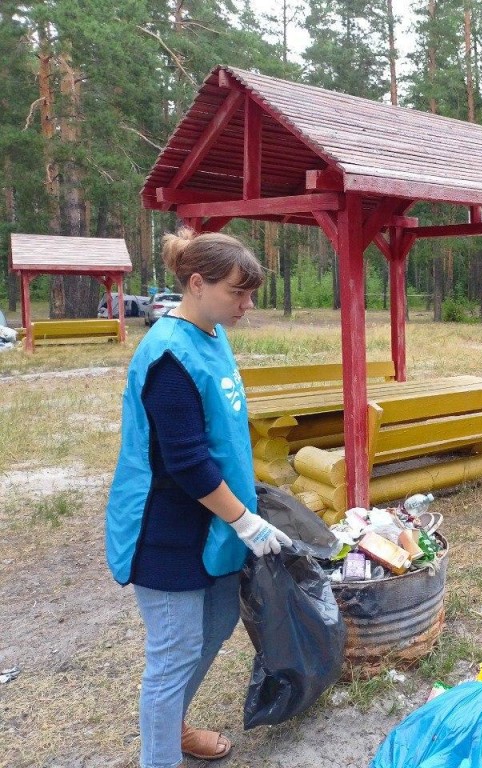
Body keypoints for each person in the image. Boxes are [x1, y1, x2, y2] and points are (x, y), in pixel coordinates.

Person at [105, 229, 292, 768]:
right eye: (238, 292)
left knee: (215, 626)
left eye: (250, 293)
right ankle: (158, 757)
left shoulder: (211, 335)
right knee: (174, 651)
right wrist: (247, 523)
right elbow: (185, 460)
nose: (247, 304)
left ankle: (174, 726)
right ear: (196, 283)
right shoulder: (168, 356)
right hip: (165, 530)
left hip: (214, 521)